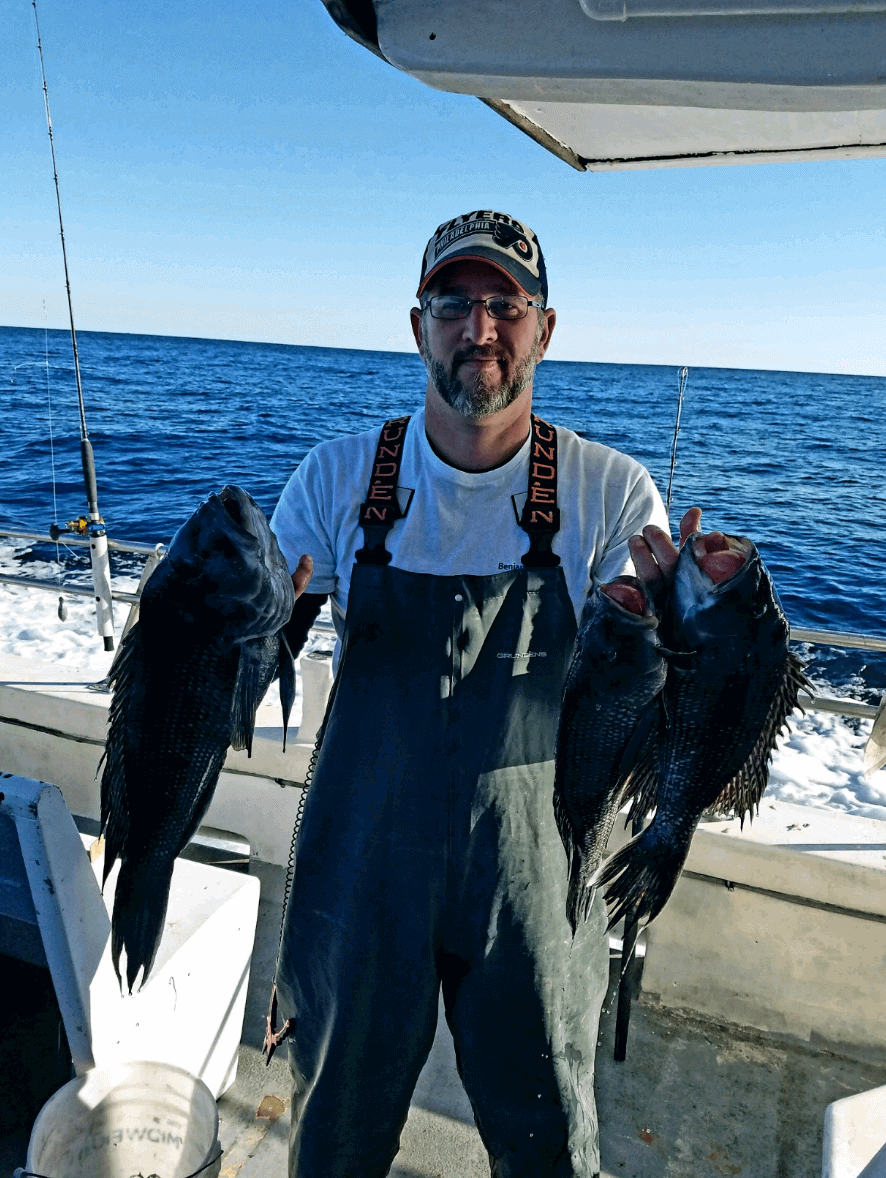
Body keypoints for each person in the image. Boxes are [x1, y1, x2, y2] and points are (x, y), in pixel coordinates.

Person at [269, 211, 703, 1178]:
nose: (481, 328)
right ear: (417, 324)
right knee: (333, 1130)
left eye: (506, 304)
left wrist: (698, 635)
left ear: (544, 329)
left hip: (539, 876)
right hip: (363, 865)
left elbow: (663, 701)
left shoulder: (610, 492)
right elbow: (251, 639)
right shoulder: (339, 478)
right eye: (455, 304)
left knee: (550, 1134)